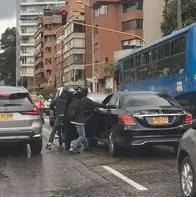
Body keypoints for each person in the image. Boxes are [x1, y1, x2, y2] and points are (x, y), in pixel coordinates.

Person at [68, 87, 108, 153]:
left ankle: (86, 147)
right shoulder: (86, 100)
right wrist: (105, 106)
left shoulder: (81, 100)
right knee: (82, 136)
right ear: (86, 94)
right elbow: (95, 104)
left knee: (82, 134)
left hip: (75, 120)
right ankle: (73, 146)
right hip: (79, 121)